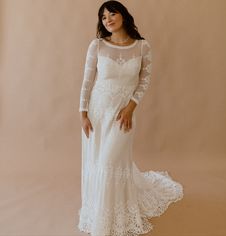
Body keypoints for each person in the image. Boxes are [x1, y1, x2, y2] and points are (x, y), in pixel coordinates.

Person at [77, 1, 184, 235]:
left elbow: (144, 80)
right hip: (97, 112)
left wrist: (131, 106)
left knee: (111, 162)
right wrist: (83, 114)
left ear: (123, 15)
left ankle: (107, 223)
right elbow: (87, 82)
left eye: (112, 13)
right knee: (99, 161)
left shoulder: (142, 47)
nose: (108, 19)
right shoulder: (96, 46)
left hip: (122, 114)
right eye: (103, 17)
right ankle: (101, 213)